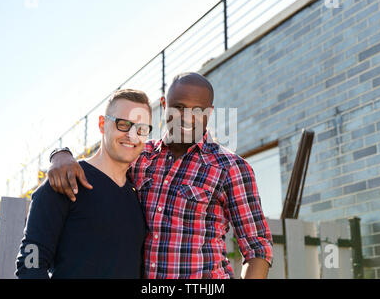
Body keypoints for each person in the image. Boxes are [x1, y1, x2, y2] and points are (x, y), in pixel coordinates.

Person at [48, 72, 273, 279]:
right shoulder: (139, 156)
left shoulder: (231, 167)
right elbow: (100, 161)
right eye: (178, 107)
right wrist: (61, 154)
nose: (186, 117)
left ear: (209, 113)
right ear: (164, 105)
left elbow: (258, 249)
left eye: (197, 111)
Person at [15, 89, 152, 278]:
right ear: (102, 124)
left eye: (141, 129)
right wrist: (59, 153)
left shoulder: (139, 195)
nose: (132, 135)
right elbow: (30, 265)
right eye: (123, 124)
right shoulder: (66, 180)